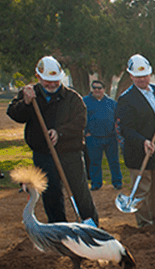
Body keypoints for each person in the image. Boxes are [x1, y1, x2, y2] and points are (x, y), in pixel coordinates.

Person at [7, 56, 99, 226]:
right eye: (47, 81)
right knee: (51, 193)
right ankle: (58, 228)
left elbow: (80, 122)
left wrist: (60, 133)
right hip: (43, 154)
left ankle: (90, 225)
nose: (52, 85)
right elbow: (14, 114)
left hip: (70, 153)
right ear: (38, 77)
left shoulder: (72, 98)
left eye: (55, 81)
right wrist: (26, 103)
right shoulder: (28, 94)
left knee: (79, 190)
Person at [117, 54, 155, 228]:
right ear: (131, 76)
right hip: (138, 151)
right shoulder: (125, 99)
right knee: (142, 188)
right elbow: (126, 129)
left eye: (145, 75)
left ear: (150, 74)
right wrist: (143, 141)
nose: (142, 79)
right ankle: (144, 222)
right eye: (138, 76)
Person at [83, 80, 123, 191]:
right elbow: (81, 118)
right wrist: (86, 132)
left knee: (114, 161)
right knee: (95, 162)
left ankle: (117, 182)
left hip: (110, 137)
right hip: (93, 137)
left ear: (104, 89)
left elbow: (118, 119)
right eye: (94, 87)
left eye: (99, 88)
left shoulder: (111, 103)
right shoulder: (85, 101)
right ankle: (96, 183)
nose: (96, 90)